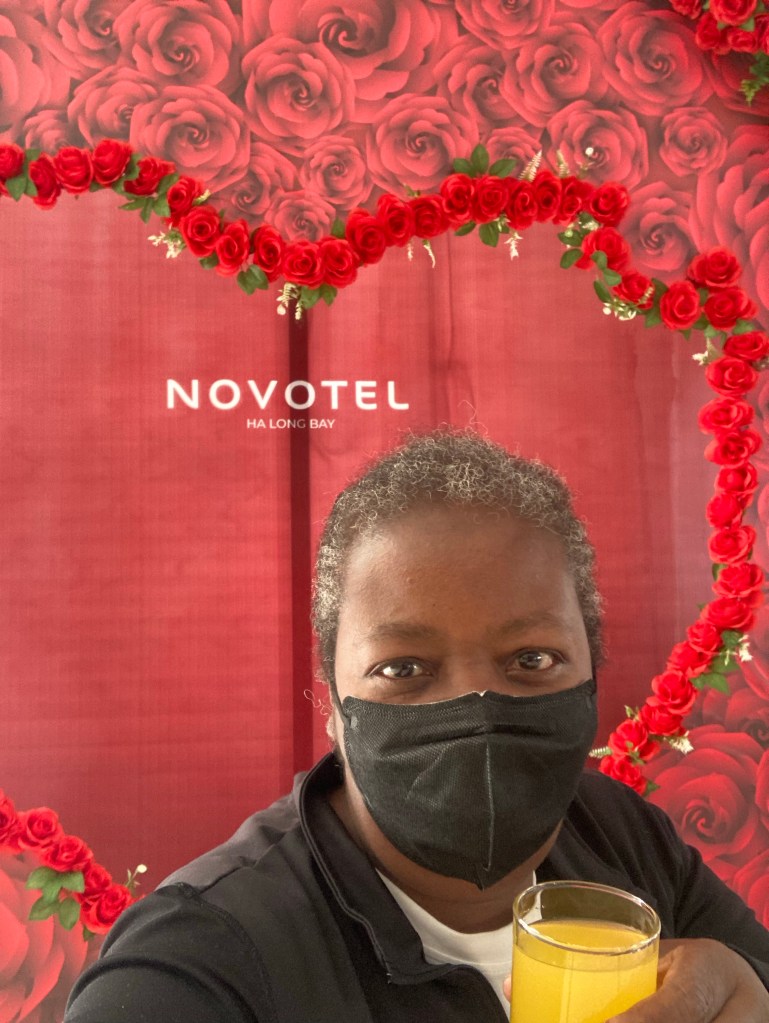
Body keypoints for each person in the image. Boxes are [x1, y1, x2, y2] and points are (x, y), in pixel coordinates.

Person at [65, 431, 769, 1022]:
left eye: (531, 658)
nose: (476, 705)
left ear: (592, 672)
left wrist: (746, 989)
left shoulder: (621, 837)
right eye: (403, 668)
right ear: (331, 703)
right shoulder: (200, 960)